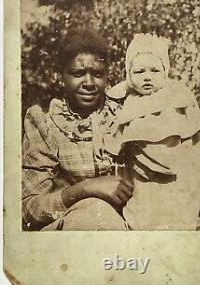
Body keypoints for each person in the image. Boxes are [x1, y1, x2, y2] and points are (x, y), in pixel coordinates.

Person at [22, 27, 133, 231]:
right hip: (71, 230)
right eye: (78, 73)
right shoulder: (45, 121)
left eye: (97, 74)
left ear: (107, 76)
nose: (89, 83)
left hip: (126, 225)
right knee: (92, 216)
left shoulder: (126, 115)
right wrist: (87, 188)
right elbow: (29, 210)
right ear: (60, 76)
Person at [104, 33, 200, 230]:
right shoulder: (127, 102)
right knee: (144, 211)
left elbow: (197, 140)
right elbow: (116, 141)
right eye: (139, 72)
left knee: (178, 210)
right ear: (128, 74)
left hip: (178, 169)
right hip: (141, 175)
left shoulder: (179, 96)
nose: (147, 77)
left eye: (155, 70)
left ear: (165, 71)